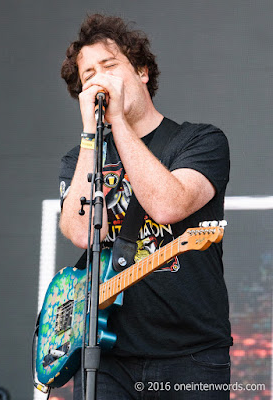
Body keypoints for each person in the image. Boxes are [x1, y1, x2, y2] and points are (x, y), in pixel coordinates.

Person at [59, 13, 232, 400]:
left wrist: (117, 120)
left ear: (142, 72)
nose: (100, 79)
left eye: (109, 65)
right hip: (105, 355)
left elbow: (168, 205)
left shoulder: (199, 141)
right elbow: (78, 231)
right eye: (89, 75)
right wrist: (92, 135)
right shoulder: (80, 159)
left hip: (192, 356)